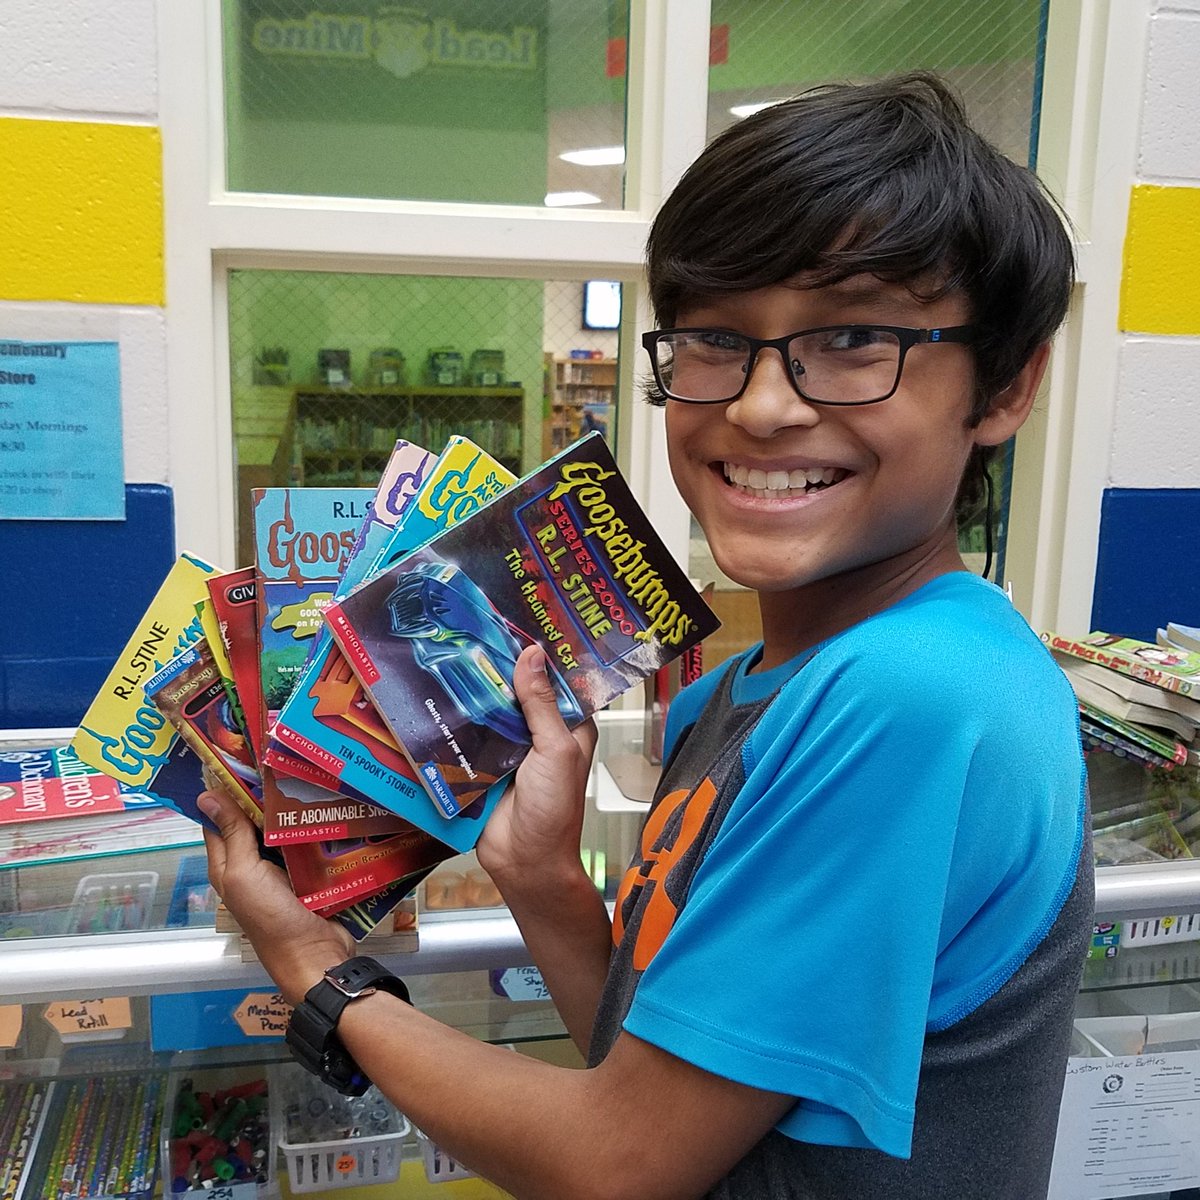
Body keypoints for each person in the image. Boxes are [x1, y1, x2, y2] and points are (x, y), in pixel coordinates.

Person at [201, 73, 1092, 1199]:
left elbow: (616, 1164)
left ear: (1006, 384)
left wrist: (315, 972)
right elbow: (652, 1082)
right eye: (717, 339)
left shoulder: (915, 695)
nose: (762, 406)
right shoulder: (746, 690)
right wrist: (539, 877)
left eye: (857, 338)